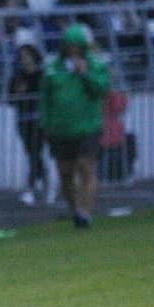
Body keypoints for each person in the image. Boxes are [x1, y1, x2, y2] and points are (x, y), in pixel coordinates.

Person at [39, 24, 110, 228]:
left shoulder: (96, 65)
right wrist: (45, 123)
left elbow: (102, 89)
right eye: (69, 46)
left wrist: (85, 74)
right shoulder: (53, 68)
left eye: (77, 46)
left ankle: (86, 212)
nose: (73, 50)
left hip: (88, 126)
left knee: (86, 167)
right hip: (60, 129)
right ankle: (75, 210)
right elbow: (45, 98)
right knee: (66, 173)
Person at [8, 43, 49, 206]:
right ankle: (45, 181)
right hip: (24, 119)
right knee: (32, 153)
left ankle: (32, 187)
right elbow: (10, 100)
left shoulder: (41, 75)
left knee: (35, 152)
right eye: (21, 56)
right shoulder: (17, 77)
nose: (24, 59)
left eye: (26, 56)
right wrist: (18, 93)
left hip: (39, 119)